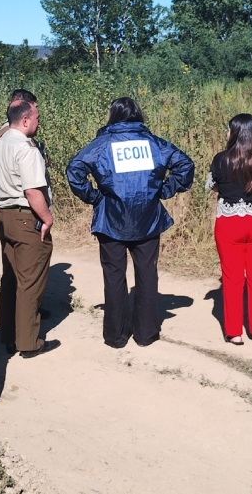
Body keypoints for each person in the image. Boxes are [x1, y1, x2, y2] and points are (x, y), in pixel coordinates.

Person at [66, 97, 195, 348]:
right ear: (138, 115)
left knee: (114, 277)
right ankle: (146, 334)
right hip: (147, 219)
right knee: (147, 274)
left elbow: (75, 170)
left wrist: (94, 197)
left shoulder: (102, 144)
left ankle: (116, 337)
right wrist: (164, 190)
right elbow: (185, 164)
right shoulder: (153, 144)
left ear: (113, 116)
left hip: (111, 220)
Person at [0, 99, 61, 358]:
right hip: (27, 219)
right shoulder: (26, 149)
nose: (39, 121)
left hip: (4, 217)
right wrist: (47, 218)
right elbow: (32, 191)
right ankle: (29, 342)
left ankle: (10, 335)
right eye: (37, 117)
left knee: (10, 278)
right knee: (30, 282)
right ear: (25, 120)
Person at [208, 114, 252, 344]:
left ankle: (234, 331)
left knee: (232, 277)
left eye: (229, 130)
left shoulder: (221, 159)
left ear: (235, 133)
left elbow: (212, 185)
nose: (227, 133)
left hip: (230, 221)